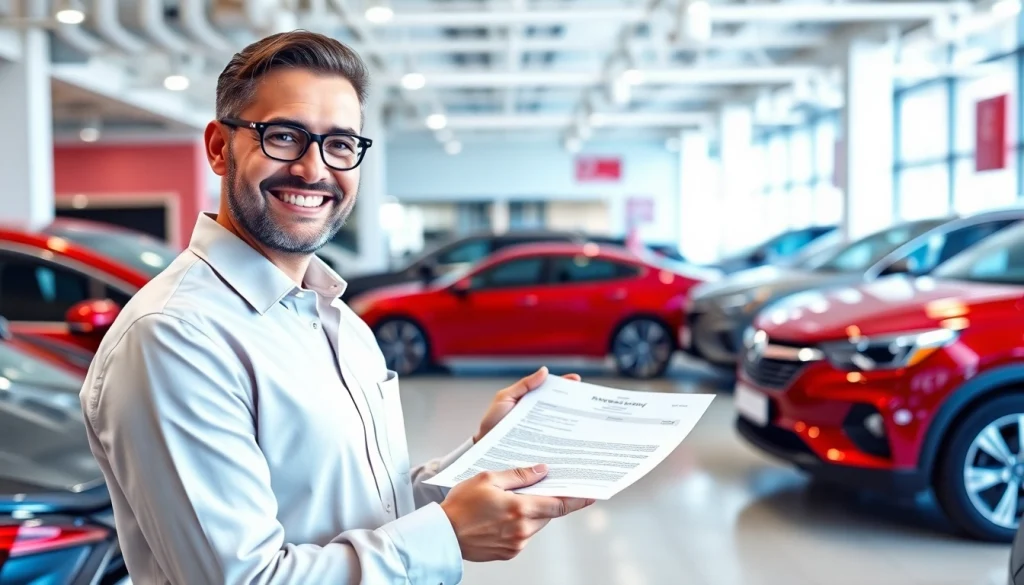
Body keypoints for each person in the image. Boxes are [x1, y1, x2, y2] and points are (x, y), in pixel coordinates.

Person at [79, 30, 594, 585]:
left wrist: (481, 460)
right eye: (284, 136)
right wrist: (446, 535)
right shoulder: (175, 337)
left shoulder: (339, 321)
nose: (314, 169)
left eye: (340, 144)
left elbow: (371, 507)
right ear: (218, 148)